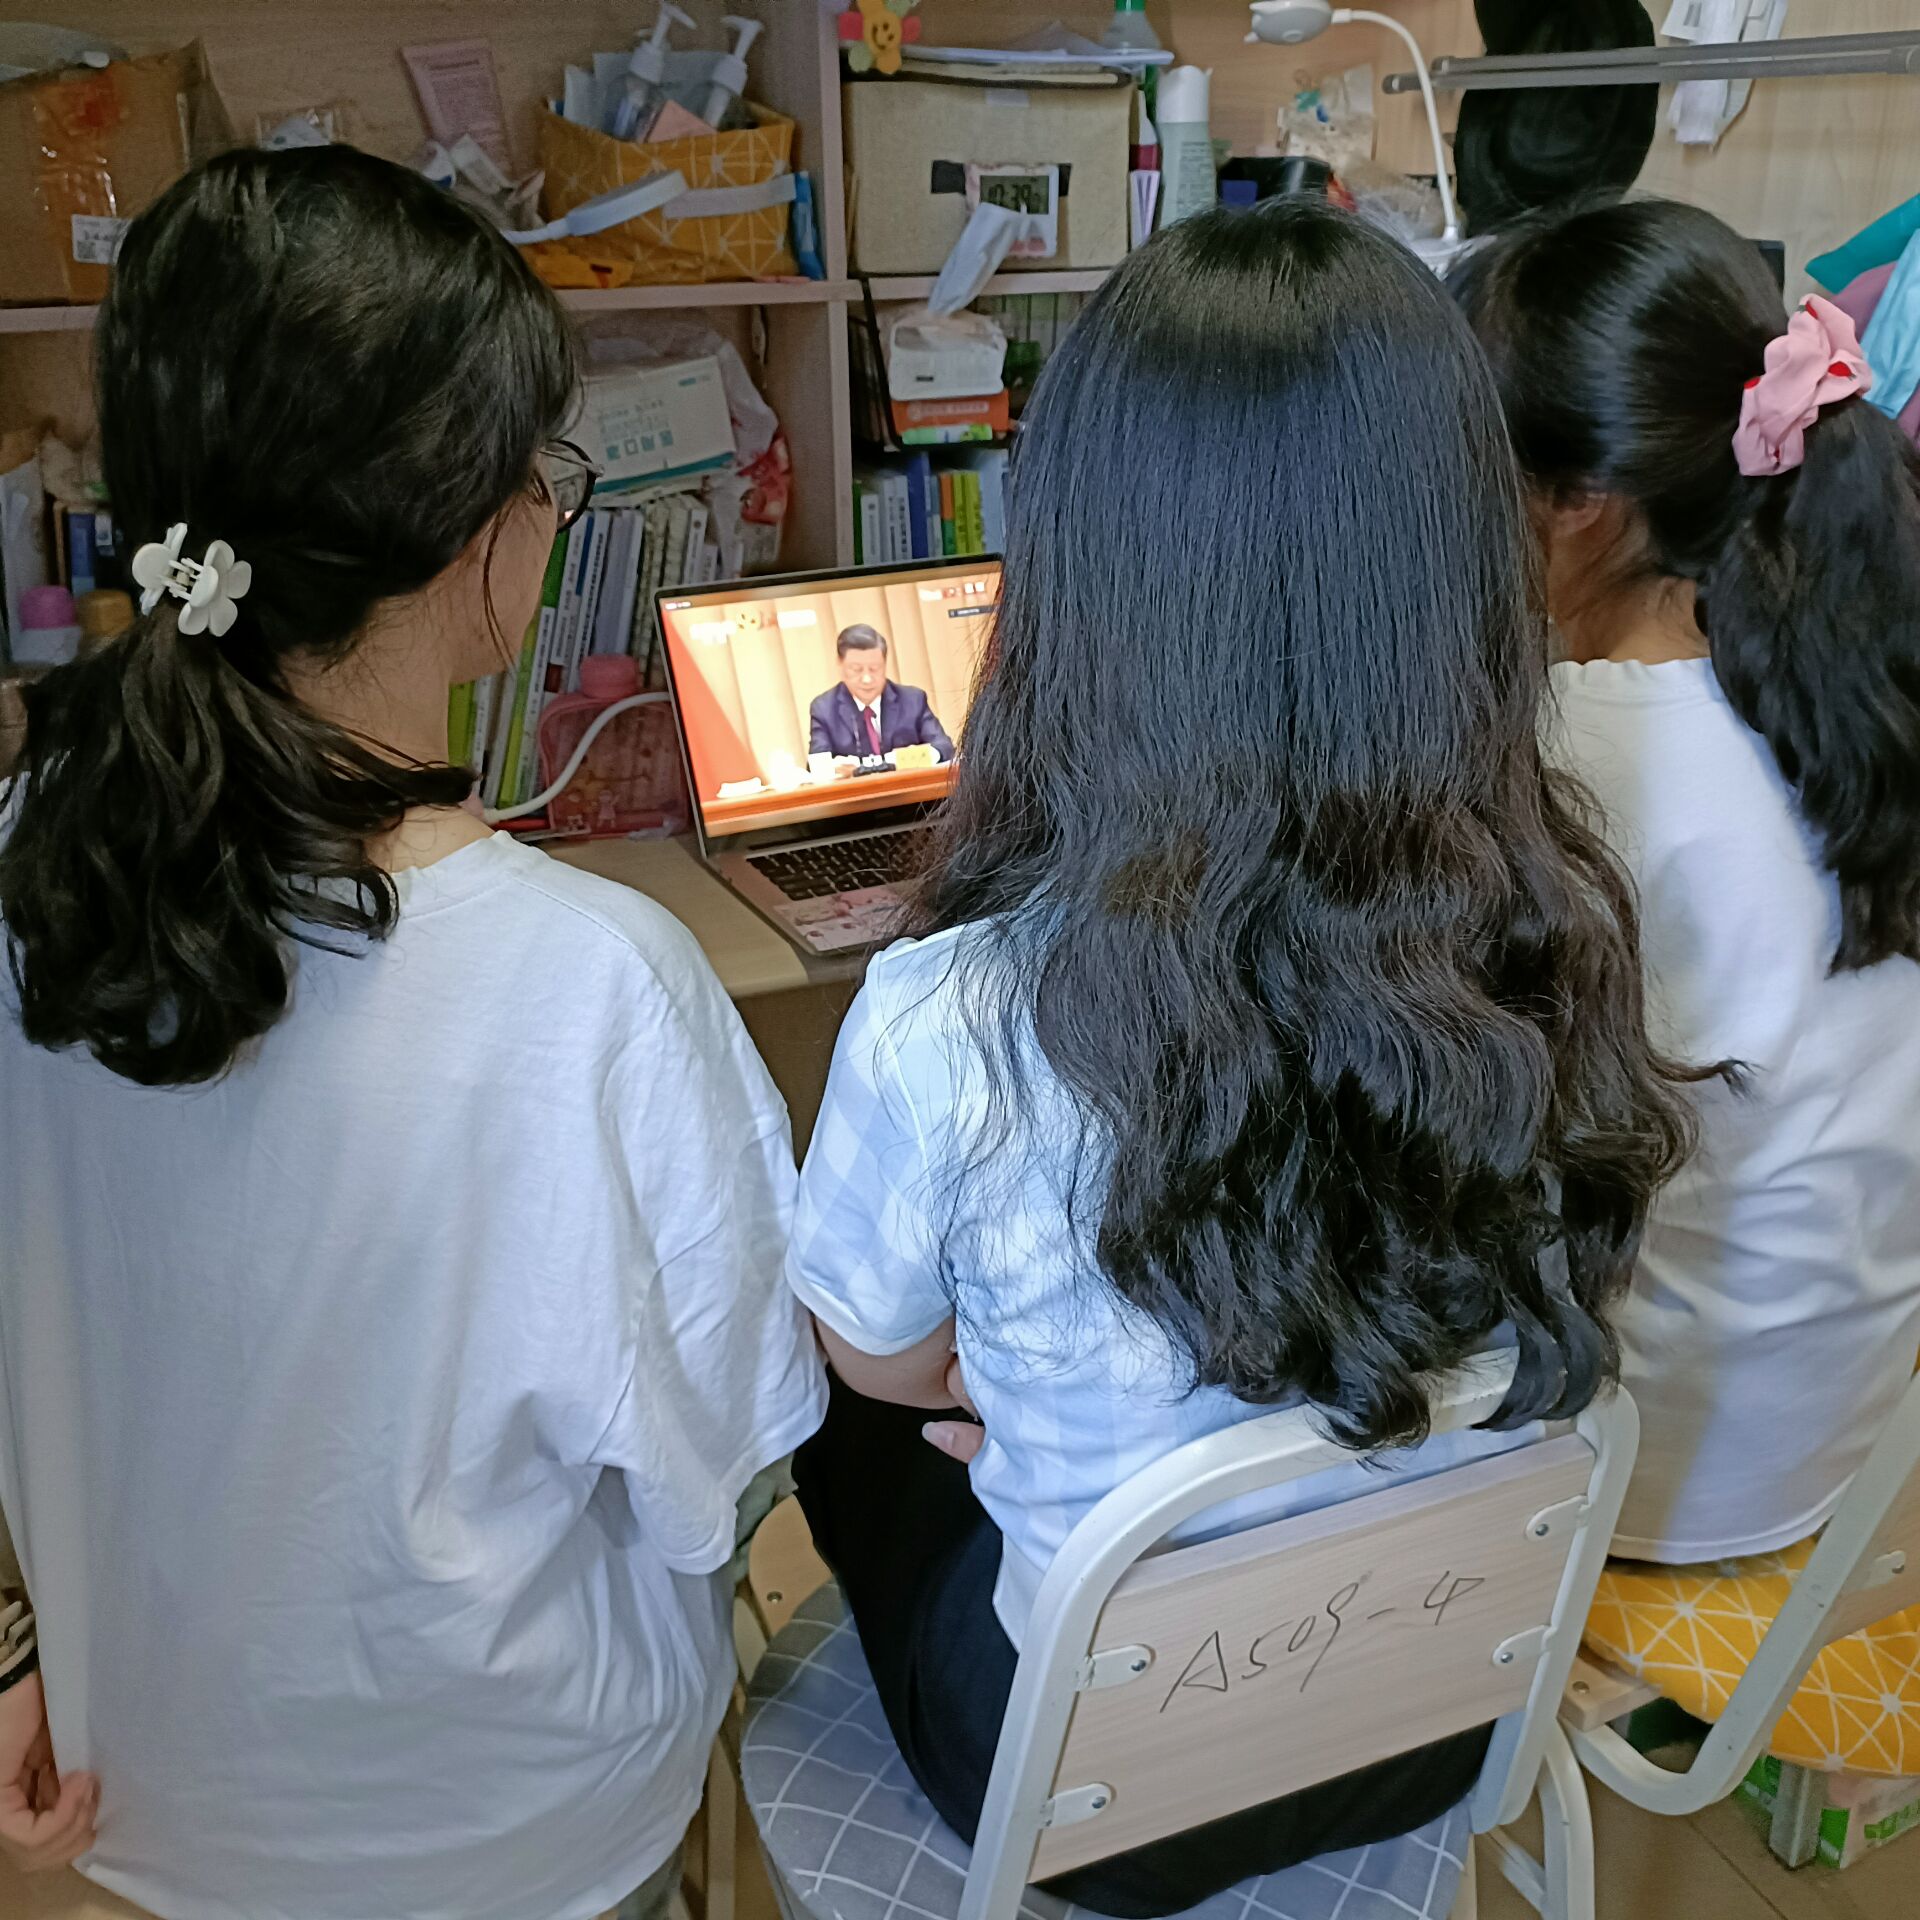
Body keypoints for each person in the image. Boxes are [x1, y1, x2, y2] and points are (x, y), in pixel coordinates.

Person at [783, 199, 1695, 1918]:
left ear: (1076, 578)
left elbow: (885, 1366)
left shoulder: (947, 1015)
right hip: (1440, 1716)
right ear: (1461, 567)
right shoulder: (1560, 933)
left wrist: (1043, 1411)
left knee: (837, 1393)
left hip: (1097, 1797)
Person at [0, 148, 823, 1920]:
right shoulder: (593, 985)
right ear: (476, 543)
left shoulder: (26, 866)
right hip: (524, 1835)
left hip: (151, 1796)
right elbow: (723, 1474)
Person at [1454, 199, 1920, 1564]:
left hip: (1636, 1485)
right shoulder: (1862, 696)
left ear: (1580, 505)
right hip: (1848, 1465)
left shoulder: (1563, 760)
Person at [808, 624, 954, 761]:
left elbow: (944, 747)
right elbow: (817, 762)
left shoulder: (912, 700)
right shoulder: (824, 709)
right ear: (840, 664)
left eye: (874, 668)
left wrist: (911, 757)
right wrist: (837, 767)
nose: (867, 679)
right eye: (856, 669)